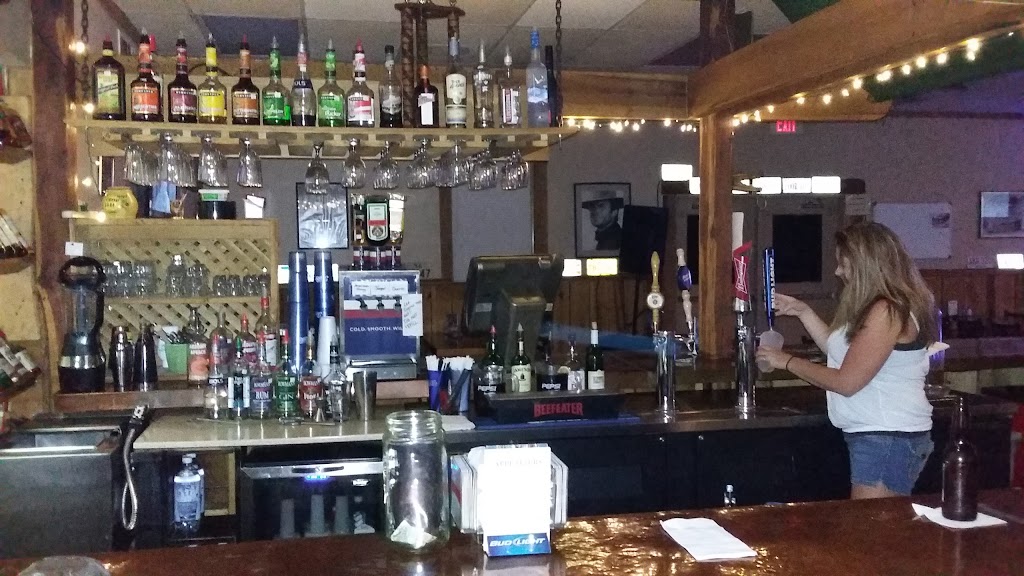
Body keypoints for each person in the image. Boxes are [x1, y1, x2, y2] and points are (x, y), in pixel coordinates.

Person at [756, 222, 937, 500]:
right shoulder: (880, 305)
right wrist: (803, 312)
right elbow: (841, 352)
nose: (837, 271)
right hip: (883, 434)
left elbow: (847, 382)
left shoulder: (886, 310)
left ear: (865, 264)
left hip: (889, 436)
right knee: (874, 524)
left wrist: (787, 361)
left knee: (870, 525)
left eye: (843, 263)